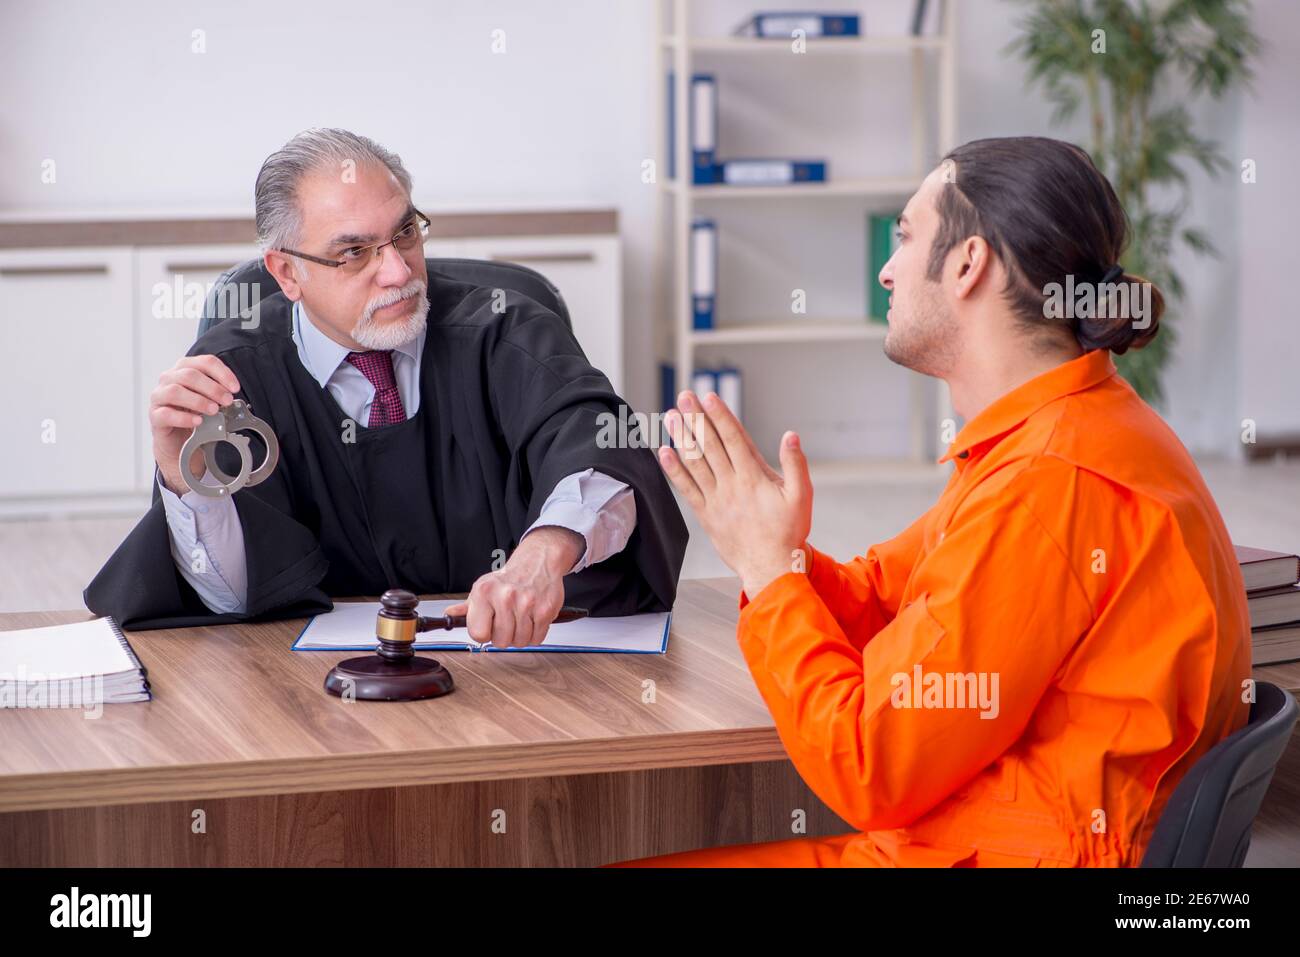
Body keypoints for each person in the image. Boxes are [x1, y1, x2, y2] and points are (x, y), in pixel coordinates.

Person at [614, 136, 1251, 867]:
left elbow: (869, 763)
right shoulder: (1072, 428)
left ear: (968, 263)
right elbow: (892, 599)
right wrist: (781, 549)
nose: (885, 270)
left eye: (905, 237)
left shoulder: (1048, 486)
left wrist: (769, 575)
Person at [86, 129, 687, 646]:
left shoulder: (506, 330)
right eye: (353, 252)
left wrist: (542, 556)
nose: (399, 272)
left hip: (516, 668)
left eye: (404, 235)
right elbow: (232, 595)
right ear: (286, 272)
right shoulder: (233, 372)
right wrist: (187, 481)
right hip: (307, 699)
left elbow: (600, 448)